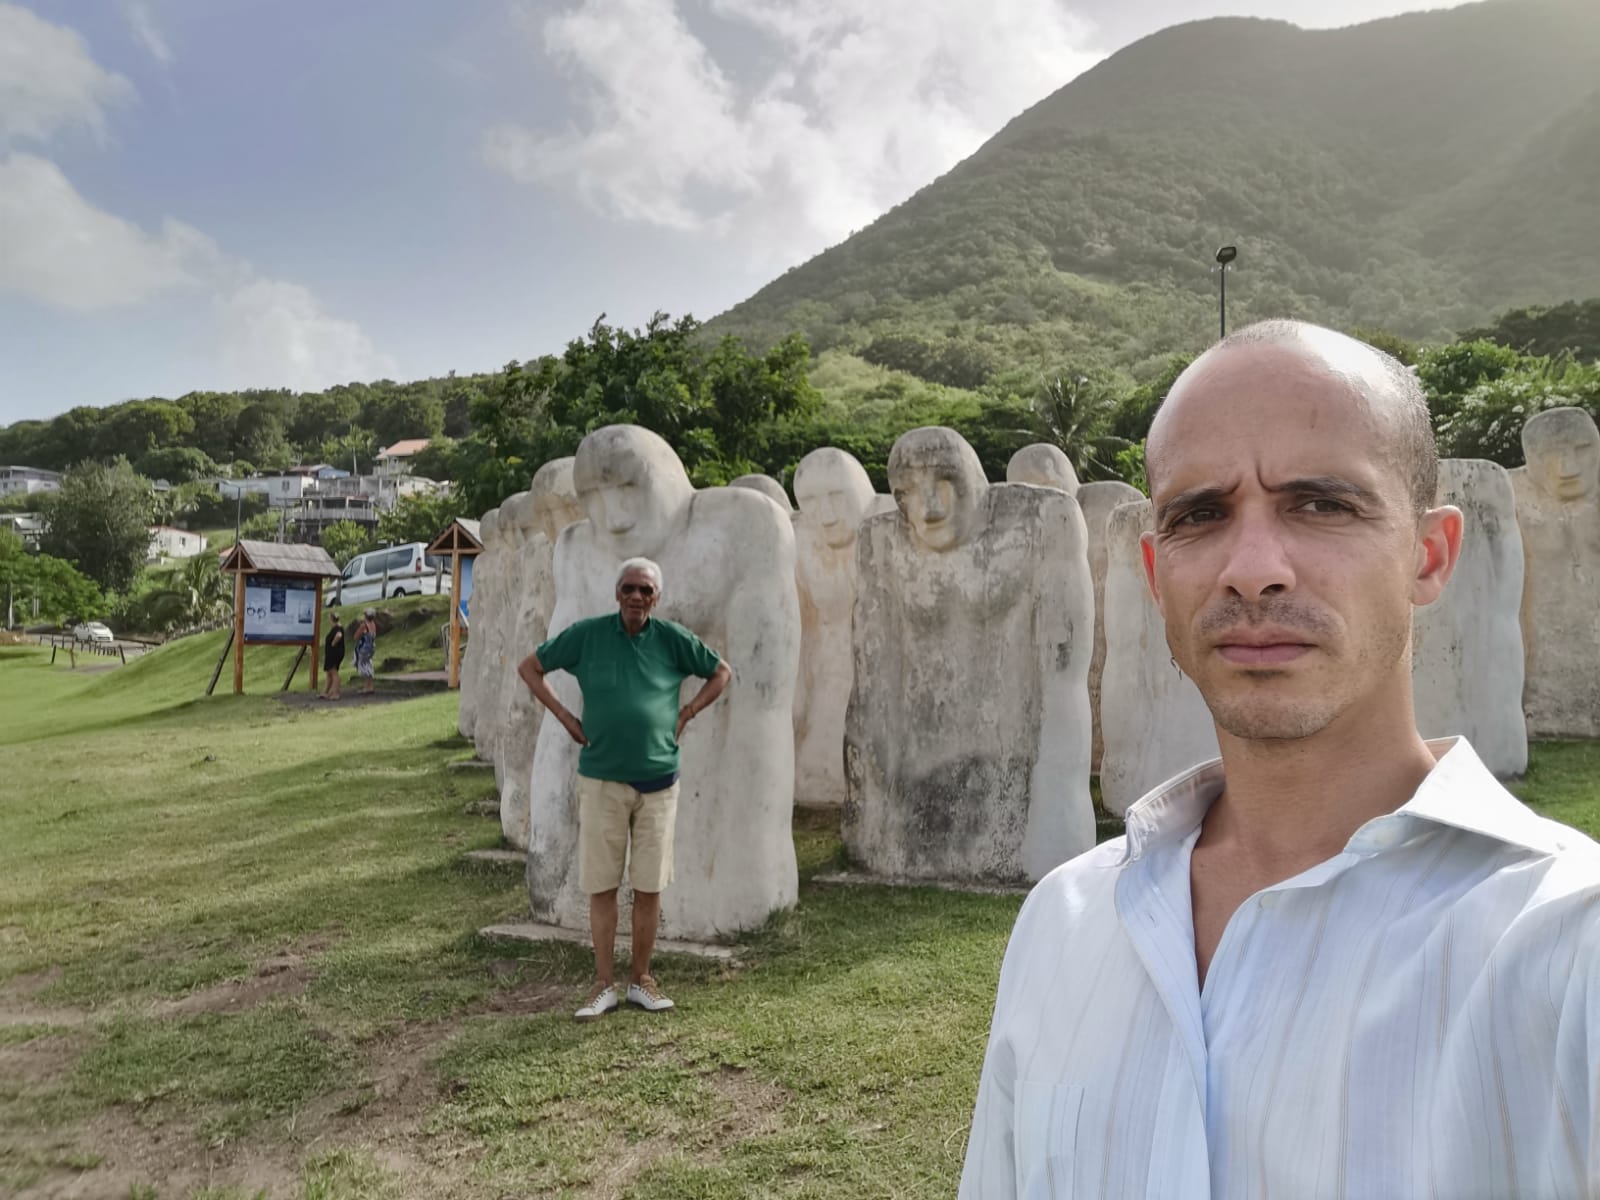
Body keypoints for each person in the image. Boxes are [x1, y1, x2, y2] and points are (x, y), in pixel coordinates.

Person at [959, 319, 1600, 1198]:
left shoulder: (1568, 948)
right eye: (1200, 515)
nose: (1252, 570)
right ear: (1154, 573)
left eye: (1321, 504)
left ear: (1431, 554)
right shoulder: (1066, 922)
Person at [518, 557, 733, 1022]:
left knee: (649, 886)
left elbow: (721, 673)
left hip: (659, 783)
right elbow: (531, 667)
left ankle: (641, 980)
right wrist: (566, 719)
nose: (637, 597)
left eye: (646, 591)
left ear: (657, 598)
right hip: (602, 780)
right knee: (602, 885)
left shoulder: (673, 639)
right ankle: (602, 984)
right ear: (617, 594)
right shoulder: (589, 635)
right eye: (630, 589)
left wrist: (687, 712)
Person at [321, 612, 344, 701]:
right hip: (332, 653)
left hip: (334, 653)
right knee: (329, 673)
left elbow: (339, 635)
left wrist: (333, 643)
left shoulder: (337, 628)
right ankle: (325, 692)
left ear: (332, 619)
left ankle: (336, 693)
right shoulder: (336, 628)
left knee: (333, 672)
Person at [353, 608, 377, 696]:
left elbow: (355, 637)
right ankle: (370, 686)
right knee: (368, 664)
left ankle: (367, 687)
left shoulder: (364, 625)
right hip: (371, 648)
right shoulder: (373, 624)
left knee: (363, 665)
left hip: (364, 648)